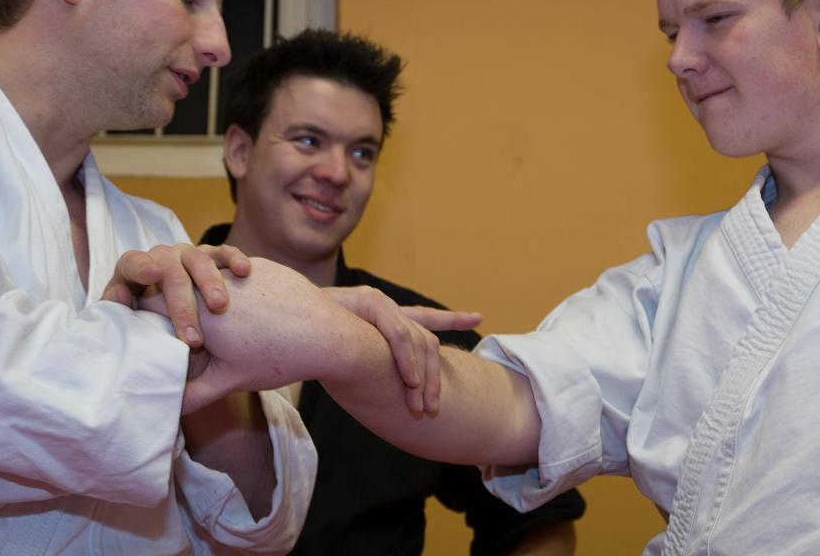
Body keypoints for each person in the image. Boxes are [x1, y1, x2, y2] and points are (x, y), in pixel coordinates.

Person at [193, 0, 820, 553]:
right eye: (669, 30)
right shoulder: (685, 274)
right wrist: (338, 340)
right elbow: (511, 406)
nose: (679, 60)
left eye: (715, 21)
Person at [0, 0, 462, 553]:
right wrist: (237, 336)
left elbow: (259, 523)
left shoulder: (154, 233)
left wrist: (266, 334)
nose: (218, 45)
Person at [200, 28, 586, 555]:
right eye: (309, 140)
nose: (337, 173)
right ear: (239, 151)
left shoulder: (418, 337)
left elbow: (538, 519)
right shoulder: (160, 309)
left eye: (362, 153)